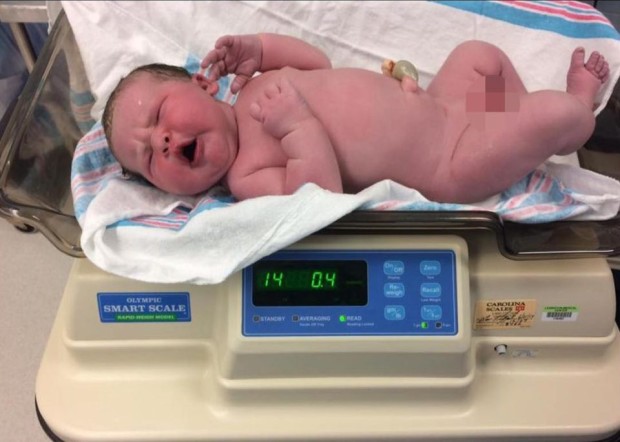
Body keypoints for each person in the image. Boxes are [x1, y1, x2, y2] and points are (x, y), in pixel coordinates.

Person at [102, 33, 609, 203]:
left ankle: (515, 126)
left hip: (442, 105)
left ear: (202, 83)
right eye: (149, 158)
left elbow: (317, 63)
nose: (162, 141)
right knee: (555, 112)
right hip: (447, 161)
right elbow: (318, 195)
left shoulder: (254, 87)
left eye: (160, 115)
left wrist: (260, 48)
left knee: (480, 56)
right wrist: (297, 126)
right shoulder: (246, 176)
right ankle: (574, 112)